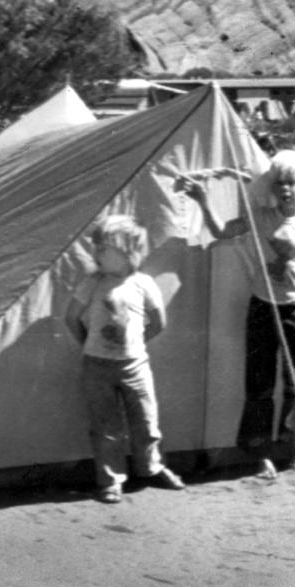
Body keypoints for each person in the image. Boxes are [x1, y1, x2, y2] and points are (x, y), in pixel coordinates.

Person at [178, 150, 295, 479]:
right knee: (258, 384)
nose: (286, 189)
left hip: (294, 312)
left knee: (294, 386)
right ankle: (260, 454)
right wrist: (203, 200)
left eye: (293, 183)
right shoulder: (260, 216)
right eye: (280, 183)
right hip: (261, 307)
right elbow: (220, 232)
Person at [64, 215, 186, 503]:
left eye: (103, 250)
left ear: (126, 252)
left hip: (135, 366)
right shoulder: (93, 283)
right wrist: (88, 344)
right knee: (106, 427)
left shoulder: (143, 283)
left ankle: (152, 468)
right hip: (97, 366)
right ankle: (110, 480)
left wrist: (137, 344)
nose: (96, 255)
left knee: (146, 422)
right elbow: (71, 317)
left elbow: (158, 321)